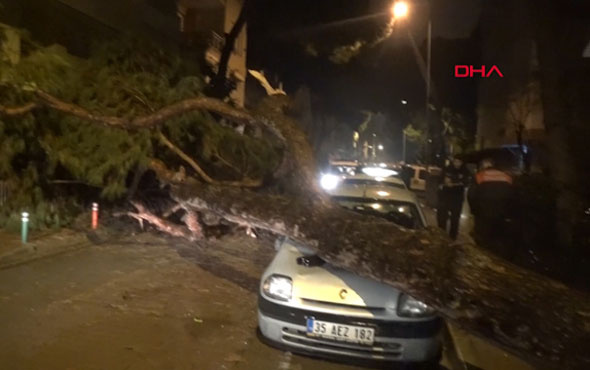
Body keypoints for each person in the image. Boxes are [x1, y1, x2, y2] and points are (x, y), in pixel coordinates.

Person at [467, 158, 514, 246]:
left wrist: (474, 210)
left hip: (484, 214)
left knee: (482, 239)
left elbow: (471, 195)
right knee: (498, 238)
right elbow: (513, 196)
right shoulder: (506, 176)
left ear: (483, 166)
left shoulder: (479, 176)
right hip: (501, 214)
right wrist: (508, 212)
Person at [437, 157, 470, 240]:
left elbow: (466, 182)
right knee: (442, 218)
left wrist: (455, 183)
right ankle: (441, 235)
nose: (457, 163)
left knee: (455, 220)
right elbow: (440, 180)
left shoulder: (465, 171)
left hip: (457, 199)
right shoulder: (447, 169)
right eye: (455, 161)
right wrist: (445, 183)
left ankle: (452, 238)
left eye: (459, 162)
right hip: (445, 197)